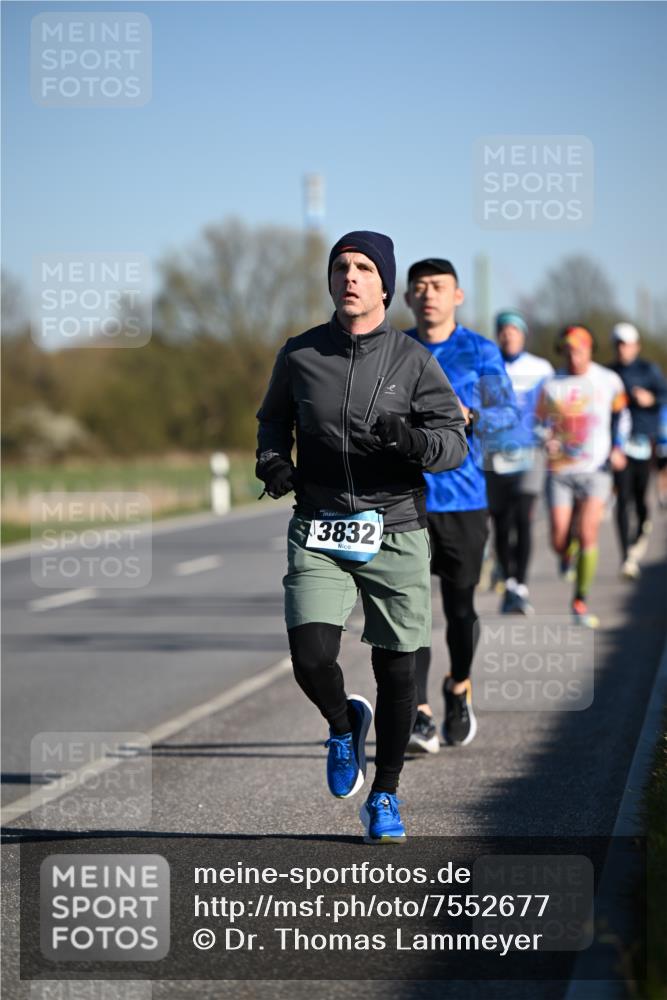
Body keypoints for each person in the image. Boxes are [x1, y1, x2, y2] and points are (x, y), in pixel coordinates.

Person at [256, 232, 467, 843]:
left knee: (397, 671)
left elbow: (453, 440)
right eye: (341, 266)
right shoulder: (299, 354)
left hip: (395, 527)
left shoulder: (412, 359)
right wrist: (273, 460)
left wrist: (413, 443)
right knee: (312, 656)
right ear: (330, 281)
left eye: (364, 268)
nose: (350, 275)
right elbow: (273, 419)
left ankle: (386, 795)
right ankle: (343, 721)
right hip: (319, 523)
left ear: (383, 285)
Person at [402, 259, 516, 754]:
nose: (429, 294)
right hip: (402, 499)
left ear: (457, 296)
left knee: (461, 609)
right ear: (406, 297)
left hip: (464, 498)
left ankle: (459, 686)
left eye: (438, 287)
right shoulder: (395, 349)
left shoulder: (480, 351)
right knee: (407, 610)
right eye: (419, 287)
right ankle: (418, 712)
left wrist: (473, 417)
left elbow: (510, 419)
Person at [536, 325, 628, 627]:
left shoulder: (608, 380)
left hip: (596, 469)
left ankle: (580, 600)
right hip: (560, 470)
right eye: (568, 350)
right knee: (559, 539)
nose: (574, 356)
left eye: (579, 349)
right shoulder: (552, 383)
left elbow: (622, 415)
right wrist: (544, 438)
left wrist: (618, 447)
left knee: (588, 532)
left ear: (589, 349)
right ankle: (566, 553)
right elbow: (537, 421)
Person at [485, 310, 554, 614]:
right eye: (503, 330)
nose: (508, 335)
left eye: (514, 330)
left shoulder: (541, 368)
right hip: (495, 454)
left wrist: (553, 433)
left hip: (530, 453)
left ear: (523, 334)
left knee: (524, 516)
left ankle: (521, 585)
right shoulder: (488, 365)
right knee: (501, 523)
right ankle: (510, 581)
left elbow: (555, 408)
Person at [608, 322, 667, 578]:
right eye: (618, 344)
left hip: (644, 441)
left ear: (636, 346)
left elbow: (665, 395)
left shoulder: (649, 370)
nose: (623, 349)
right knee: (622, 498)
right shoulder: (609, 373)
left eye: (627, 344)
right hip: (618, 444)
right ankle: (626, 557)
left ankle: (642, 527)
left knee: (640, 498)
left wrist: (651, 399)